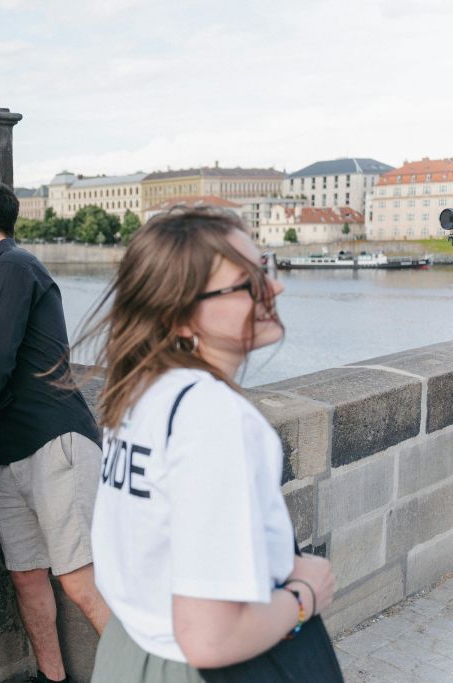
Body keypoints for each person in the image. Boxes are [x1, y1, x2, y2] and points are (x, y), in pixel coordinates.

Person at [85, 208, 341, 681]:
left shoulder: (139, 391)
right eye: (248, 282)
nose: (275, 288)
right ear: (179, 317)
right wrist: (305, 594)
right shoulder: (213, 415)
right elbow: (209, 637)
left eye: (265, 268)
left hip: (128, 651)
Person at [0, 179, 110, 683]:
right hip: (14, 451)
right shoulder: (1, 273)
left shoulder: (14, 266)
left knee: (80, 585)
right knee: (29, 578)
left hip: (54, 442)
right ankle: (53, 679)